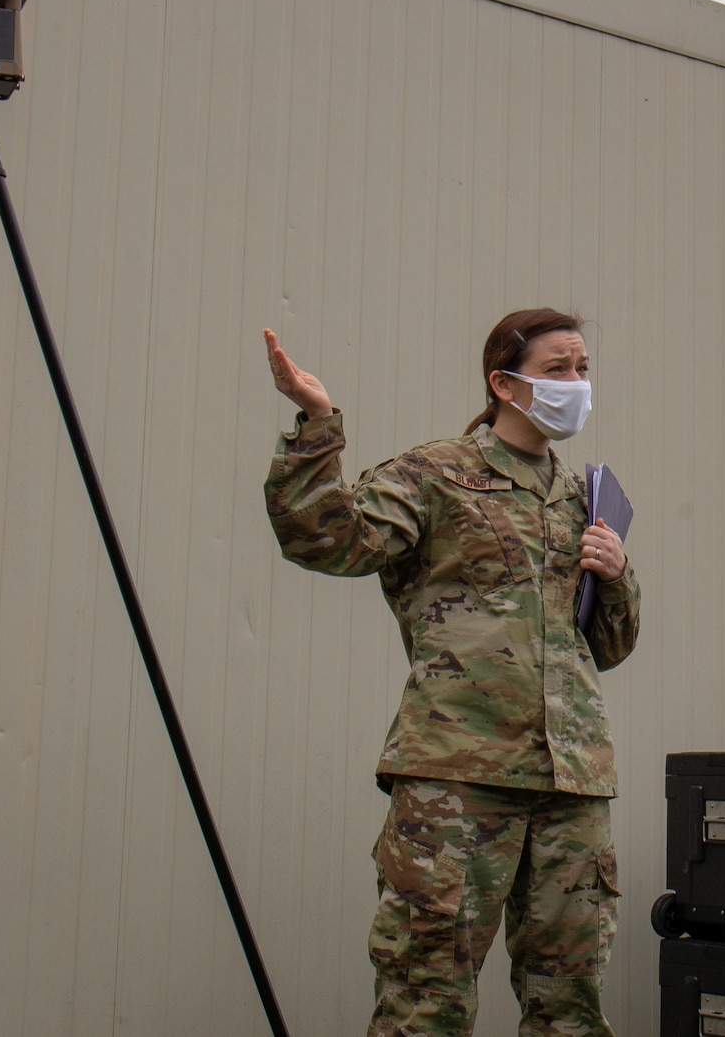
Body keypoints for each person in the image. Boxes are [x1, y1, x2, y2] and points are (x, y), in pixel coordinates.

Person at [261, 308, 639, 1037]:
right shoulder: (436, 474)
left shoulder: (582, 498)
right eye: (557, 369)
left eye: (583, 368)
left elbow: (609, 646)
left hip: (572, 787)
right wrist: (315, 423)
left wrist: (617, 574)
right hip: (458, 780)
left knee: (570, 1007)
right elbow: (327, 538)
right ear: (504, 382)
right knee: (425, 997)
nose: (576, 384)